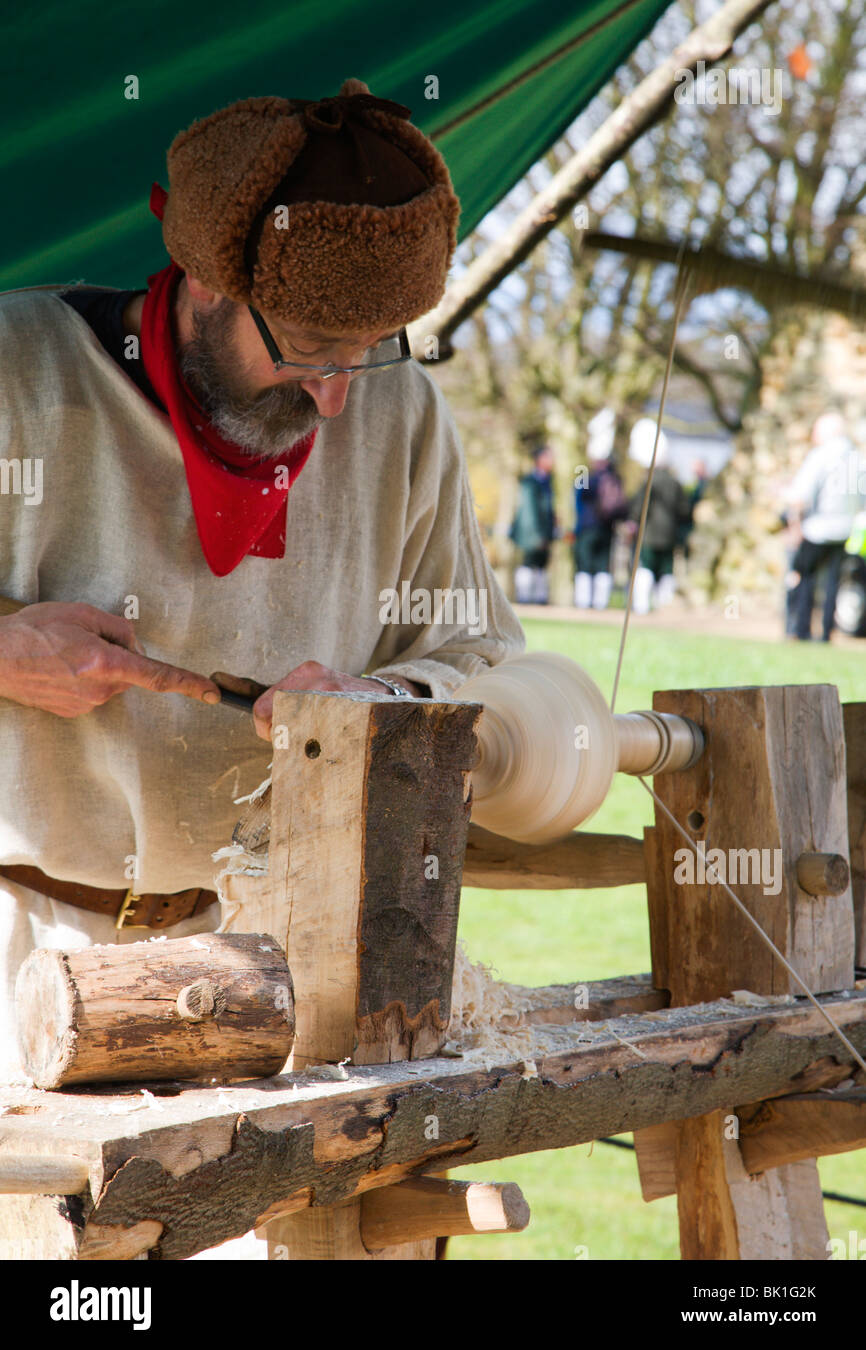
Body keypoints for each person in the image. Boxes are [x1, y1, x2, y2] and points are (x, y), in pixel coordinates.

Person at [0, 79, 526, 1081]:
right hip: (13, 947)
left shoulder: (399, 417)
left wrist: (378, 702)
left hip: (265, 972)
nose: (334, 399)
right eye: (309, 349)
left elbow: (484, 657)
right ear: (204, 283)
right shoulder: (16, 369)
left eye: (366, 353)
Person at [783, 412, 861, 641]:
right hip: (845, 530)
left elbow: (801, 494)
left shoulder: (820, 456)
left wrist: (793, 519)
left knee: (805, 577)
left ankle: (802, 630)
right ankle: (827, 632)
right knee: (833, 583)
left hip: (818, 528)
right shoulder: (857, 458)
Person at [628, 433, 691, 614]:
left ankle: (641, 605)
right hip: (669, 534)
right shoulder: (676, 483)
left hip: (649, 534)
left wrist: (633, 521)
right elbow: (684, 510)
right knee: (666, 570)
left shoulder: (649, 482)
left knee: (646, 567)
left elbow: (639, 507)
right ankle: (664, 606)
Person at [572, 450, 628, 610]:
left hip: (587, 527)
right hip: (607, 527)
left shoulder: (584, 474)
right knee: (603, 565)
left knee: (584, 564)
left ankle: (583, 602)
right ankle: (600, 602)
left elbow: (578, 497)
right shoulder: (614, 477)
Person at [509, 445, 557, 603]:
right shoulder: (529, 482)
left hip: (543, 533)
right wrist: (536, 535)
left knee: (541, 566)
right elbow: (529, 511)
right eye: (549, 457)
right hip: (530, 533)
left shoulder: (548, 481)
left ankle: (539, 598)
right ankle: (524, 598)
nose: (552, 461)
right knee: (528, 564)